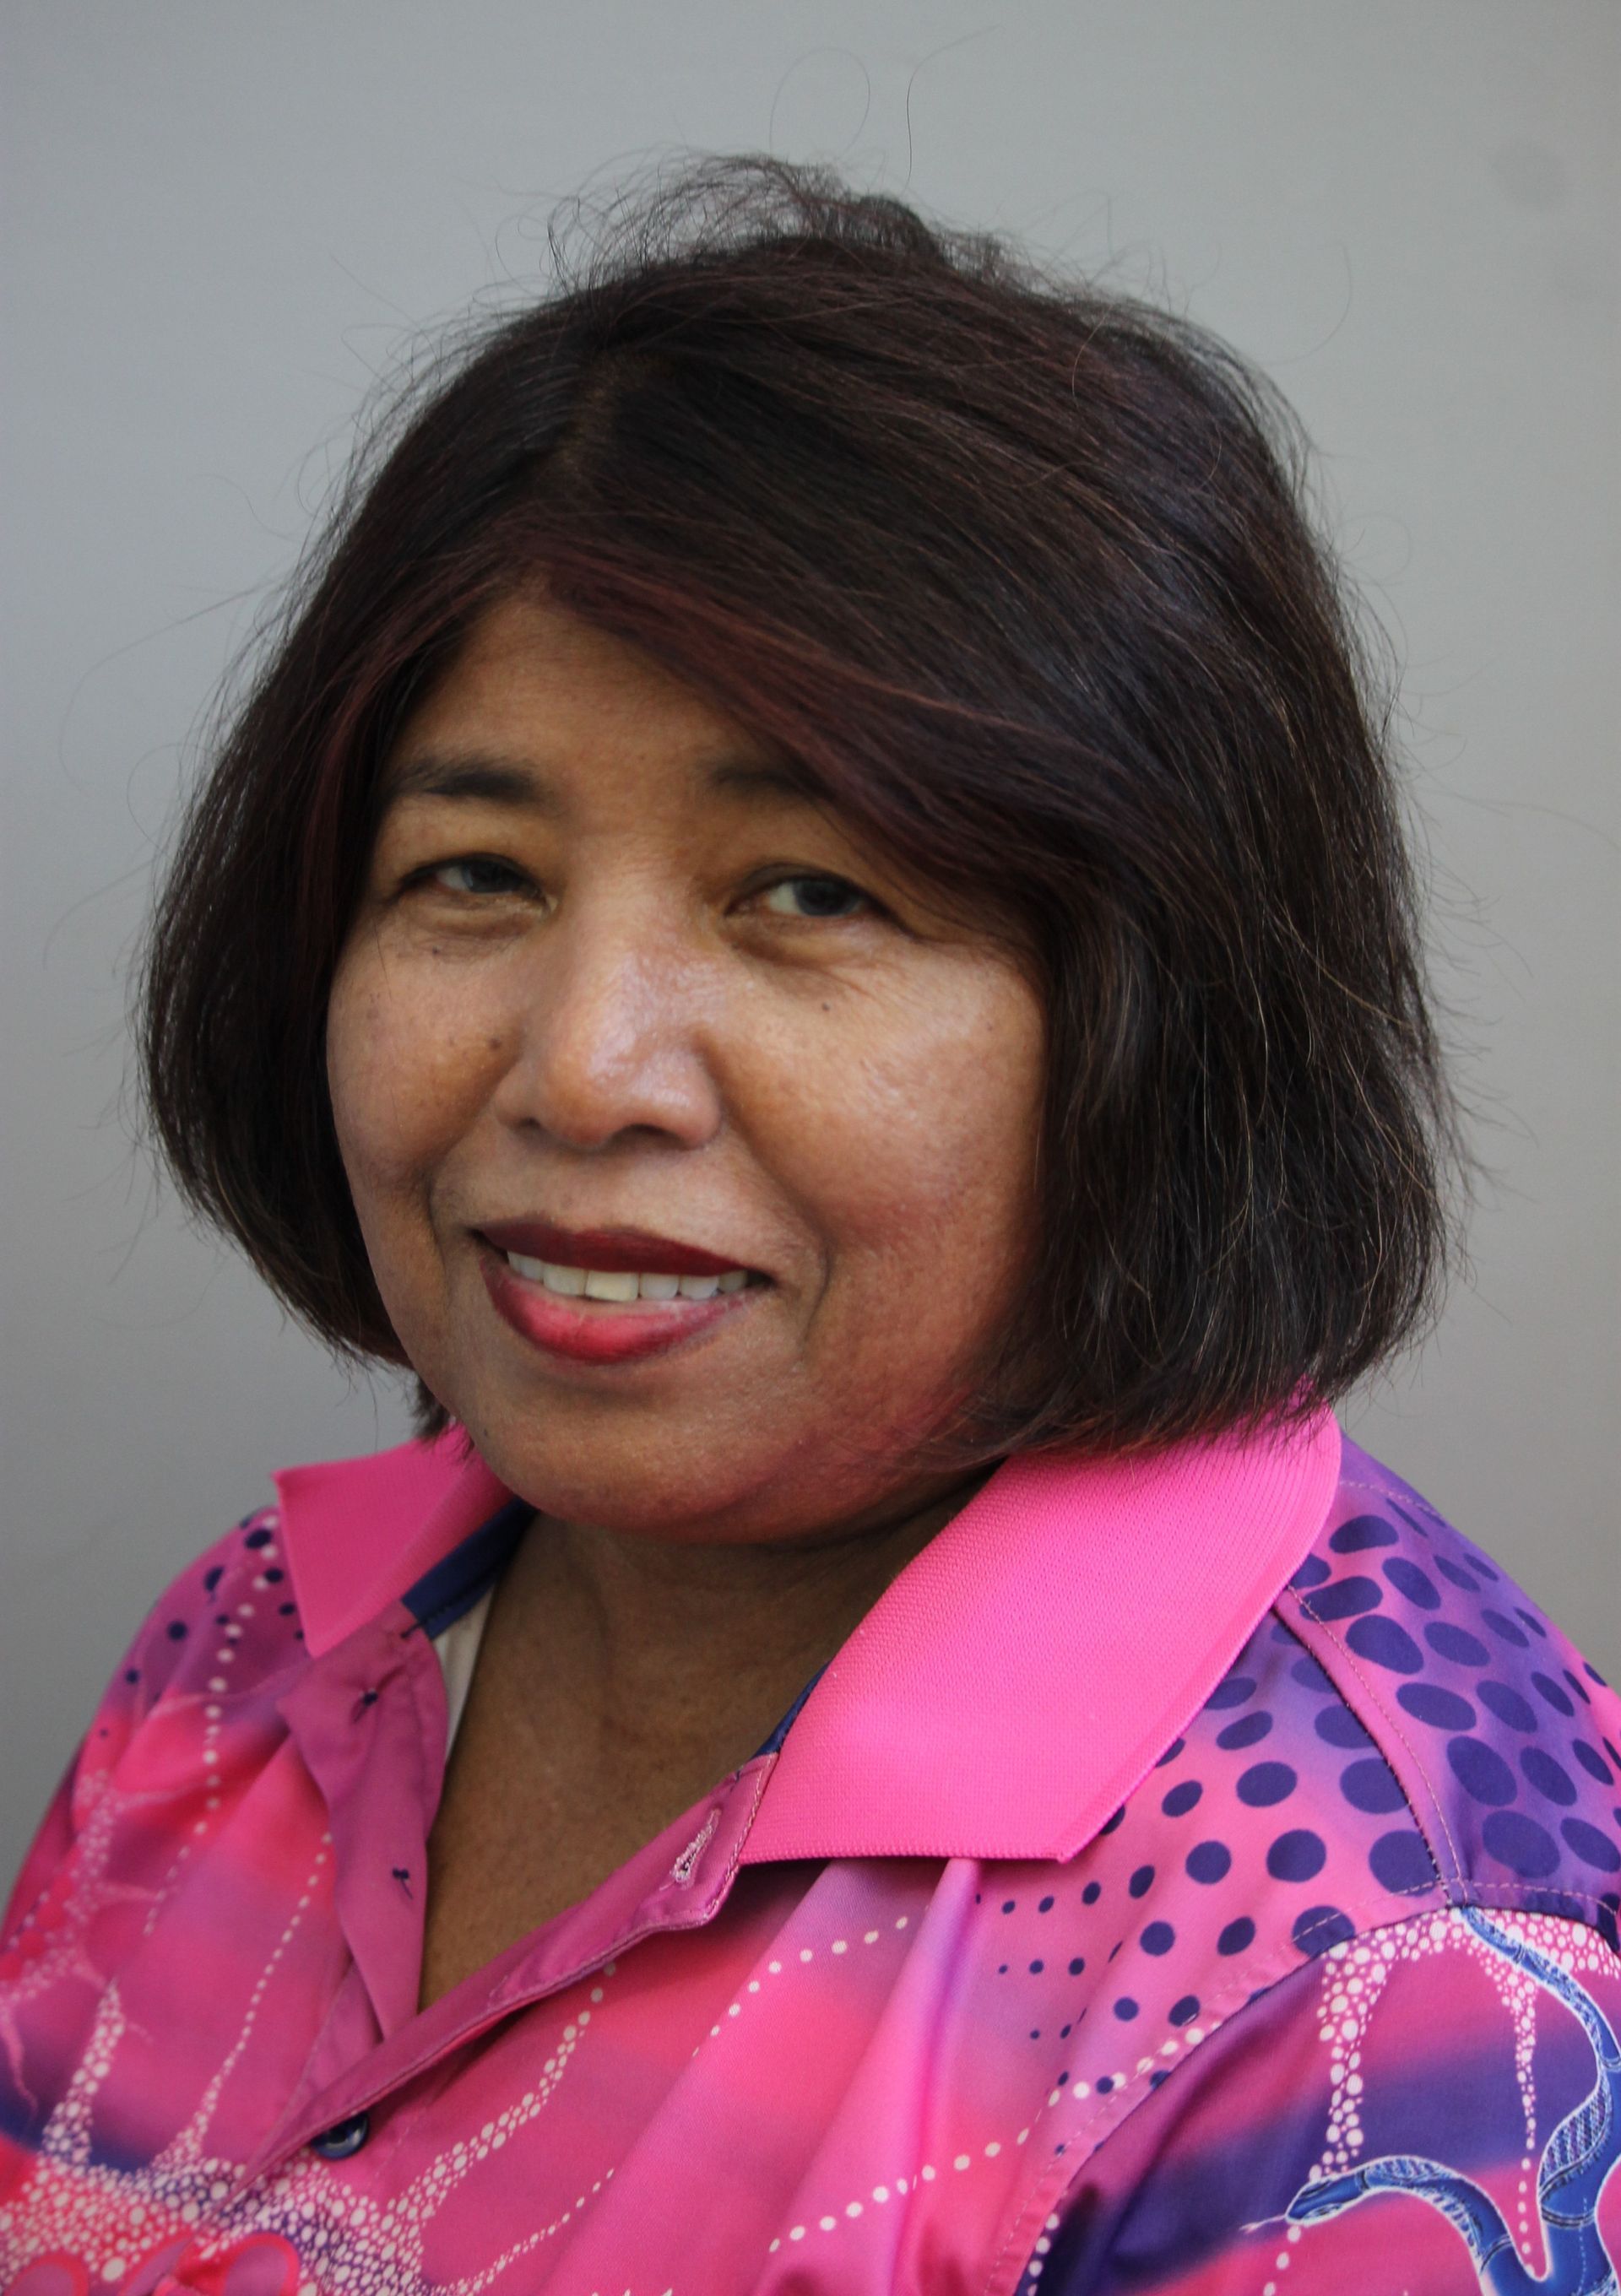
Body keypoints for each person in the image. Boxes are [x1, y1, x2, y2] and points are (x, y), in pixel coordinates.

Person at [2, 154, 1616, 2296]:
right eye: (473, 873)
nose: (582, 1067)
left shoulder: (1382, 1969)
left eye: (812, 896)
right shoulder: (256, 1645)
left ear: (1156, 1008)